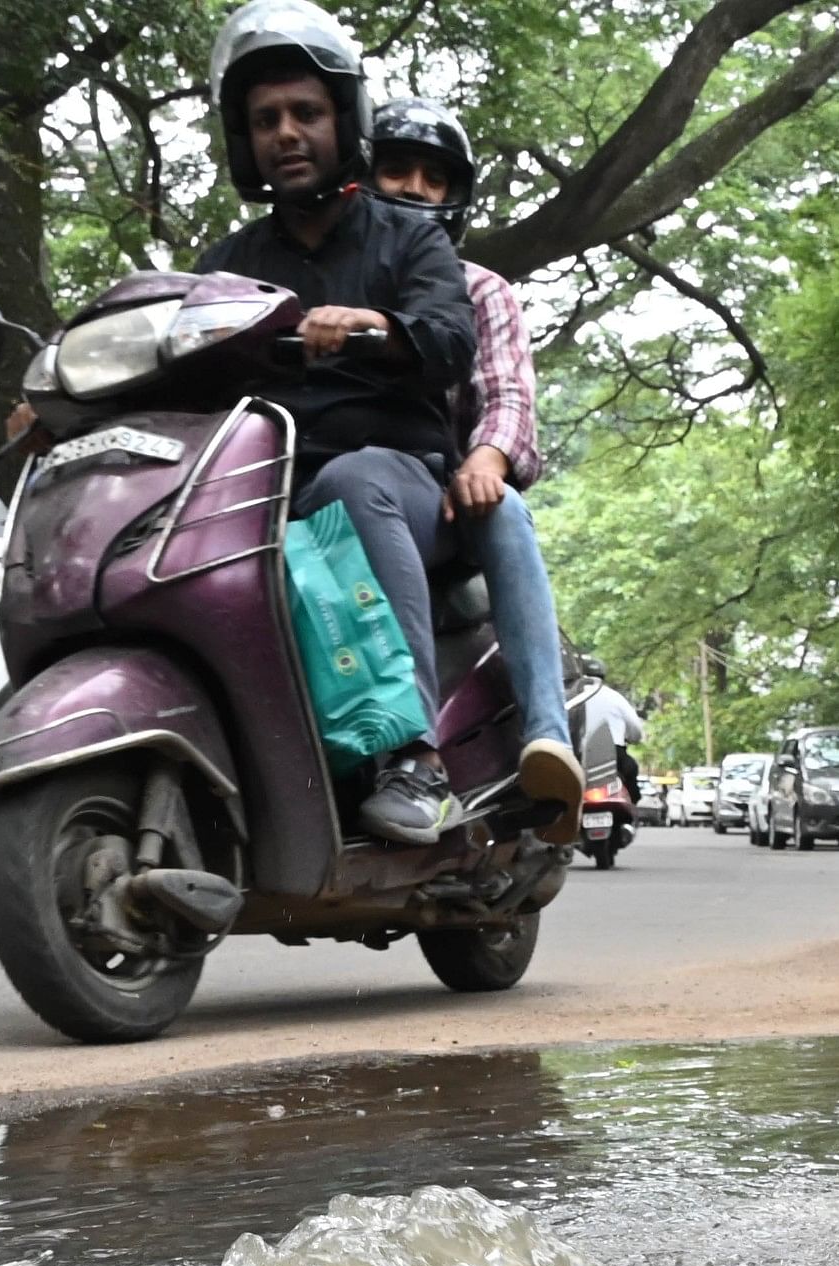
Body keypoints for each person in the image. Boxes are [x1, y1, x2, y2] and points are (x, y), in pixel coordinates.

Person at [192, 2, 482, 845]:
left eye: (306, 114)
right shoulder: (226, 267)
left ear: (342, 121)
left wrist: (374, 326)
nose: (286, 132)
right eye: (266, 119)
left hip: (401, 481)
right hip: (267, 487)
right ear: (246, 141)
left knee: (351, 483)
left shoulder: (408, 240)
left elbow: (451, 342)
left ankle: (414, 760)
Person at [363, 95, 587, 830]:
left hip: (447, 499)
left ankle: (546, 731)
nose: (415, 189)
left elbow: (509, 397)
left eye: (434, 178)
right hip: (332, 496)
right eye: (396, 170)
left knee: (504, 506)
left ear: (455, 196)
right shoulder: (332, 285)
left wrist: (485, 459)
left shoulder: (482, 288)